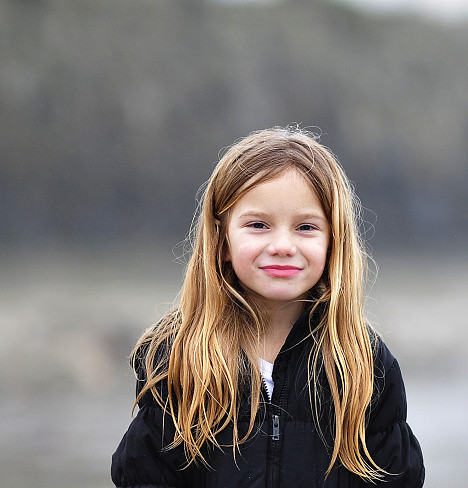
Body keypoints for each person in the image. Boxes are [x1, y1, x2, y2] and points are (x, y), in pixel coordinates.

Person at [111, 127, 424, 487]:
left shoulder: (364, 363)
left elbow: (397, 478)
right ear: (222, 240)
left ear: (334, 242)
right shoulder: (178, 355)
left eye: (305, 227)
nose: (282, 245)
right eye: (258, 225)